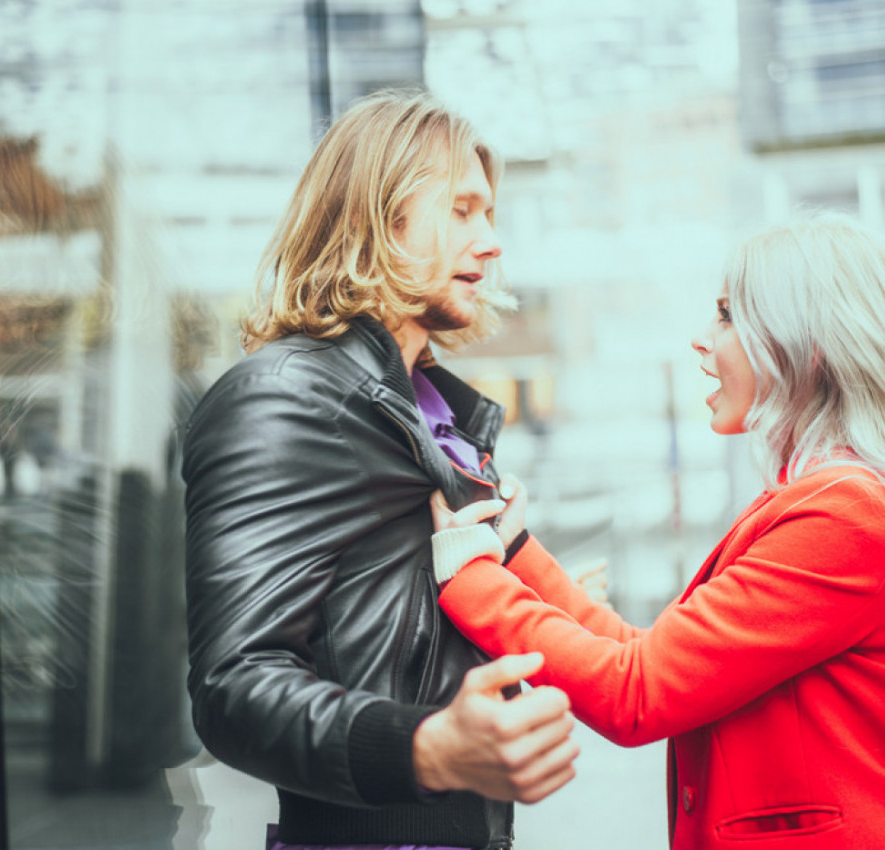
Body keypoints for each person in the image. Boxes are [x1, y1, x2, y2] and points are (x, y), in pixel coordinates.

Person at [430, 213, 885, 848]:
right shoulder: (834, 500)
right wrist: (517, 554)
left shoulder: (844, 517)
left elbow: (636, 691)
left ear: (805, 345)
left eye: (727, 315)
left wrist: (472, 577)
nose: (701, 339)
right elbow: (654, 659)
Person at [182, 90, 578, 850]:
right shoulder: (279, 398)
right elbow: (232, 687)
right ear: (380, 220)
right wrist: (427, 746)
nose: (491, 241)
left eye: (489, 214)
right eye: (462, 210)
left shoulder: (430, 408)